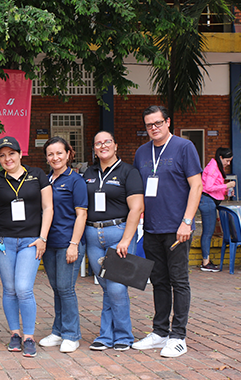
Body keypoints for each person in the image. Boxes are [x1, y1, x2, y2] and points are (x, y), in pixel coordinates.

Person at [132, 105, 202, 358]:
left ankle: (178, 336)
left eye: (158, 123)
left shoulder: (184, 147)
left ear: (168, 122)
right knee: (158, 281)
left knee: (179, 281)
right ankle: (160, 332)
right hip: (150, 228)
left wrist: (187, 221)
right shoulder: (141, 152)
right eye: (149, 124)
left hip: (177, 229)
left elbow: (197, 186)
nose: (154, 128)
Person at [0, 136, 53, 358]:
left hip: (30, 241)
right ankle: (15, 333)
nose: (7, 158)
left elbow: (48, 208)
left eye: (11, 153)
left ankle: (29, 336)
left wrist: (42, 238)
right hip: (3, 241)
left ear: (20, 154)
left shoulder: (37, 175)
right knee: (10, 289)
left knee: (24, 288)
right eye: (2, 155)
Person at [83, 131, 144, 352]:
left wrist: (126, 239)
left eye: (107, 141)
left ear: (115, 145)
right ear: (94, 148)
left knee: (117, 288)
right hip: (93, 237)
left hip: (118, 235)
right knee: (106, 287)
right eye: (98, 143)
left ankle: (124, 336)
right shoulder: (88, 173)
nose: (103, 145)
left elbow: (136, 208)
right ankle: (105, 336)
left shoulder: (129, 172)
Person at [39, 136, 87, 353]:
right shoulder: (47, 179)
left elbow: (81, 214)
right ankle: (58, 331)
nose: (55, 157)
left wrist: (74, 244)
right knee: (57, 289)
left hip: (69, 243)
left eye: (59, 153)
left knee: (66, 289)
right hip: (50, 244)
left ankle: (71, 335)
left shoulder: (75, 180)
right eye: (50, 154)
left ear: (68, 154)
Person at [198, 148, 235, 271]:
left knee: (209, 232)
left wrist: (226, 191)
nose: (228, 163)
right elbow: (208, 187)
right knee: (208, 232)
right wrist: (227, 185)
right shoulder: (214, 167)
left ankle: (206, 260)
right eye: (227, 161)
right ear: (220, 157)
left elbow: (215, 187)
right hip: (207, 201)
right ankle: (205, 262)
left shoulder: (216, 166)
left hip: (210, 201)